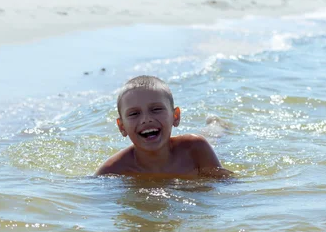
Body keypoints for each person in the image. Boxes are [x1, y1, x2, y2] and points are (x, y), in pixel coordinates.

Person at [95, 76, 231, 178]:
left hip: (203, 147)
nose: (146, 119)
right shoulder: (112, 171)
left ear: (175, 116)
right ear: (122, 127)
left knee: (213, 138)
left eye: (156, 109)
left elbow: (226, 186)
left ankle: (217, 125)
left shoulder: (195, 149)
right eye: (134, 113)